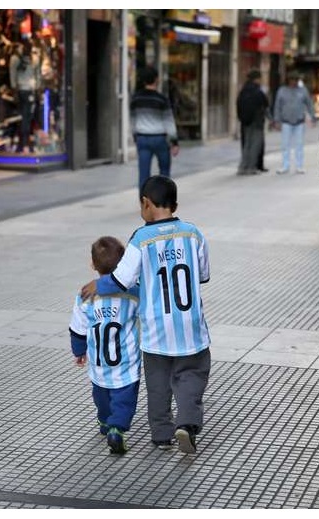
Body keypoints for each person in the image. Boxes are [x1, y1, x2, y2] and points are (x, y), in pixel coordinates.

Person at [80, 176, 210, 455]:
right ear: (175, 204)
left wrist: (98, 284)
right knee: (191, 376)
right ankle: (186, 425)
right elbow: (203, 275)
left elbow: (121, 280)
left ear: (146, 203)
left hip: (156, 329)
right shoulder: (193, 233)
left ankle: (162, 435)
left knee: (158, 383)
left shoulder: (141, 238)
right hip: (191, 327)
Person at [68, 236, 141, 455]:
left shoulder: (85, 296)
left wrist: (79, 351)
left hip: (99, 364)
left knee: (101, 397)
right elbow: (148, 315)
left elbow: (78, 327)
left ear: (92, 265)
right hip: (125, 363)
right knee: (124, 400)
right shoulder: (133, 293)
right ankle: (117, 429)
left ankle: (105, 421)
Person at [130, 66, 180, 192]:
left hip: (142, 138)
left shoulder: (136, 99)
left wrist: (135, 136)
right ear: (156, 80)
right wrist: (174, 142)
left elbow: (132, 120)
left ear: (143, 81)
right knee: (164, 171)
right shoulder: (162, 99)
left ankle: (144, 204)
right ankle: (163, 200)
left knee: (143, 174)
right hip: (160, 139)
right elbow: (169, 121)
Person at [272, 69, 317, 175]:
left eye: (296, 80)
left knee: (299, 144)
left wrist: (313, 117)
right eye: (292, 80)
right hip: (286, 121)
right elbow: (277, 106)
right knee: (285, 145)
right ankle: (285, 165)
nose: (294, 82)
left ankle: (299, 166)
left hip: (299, 121)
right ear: (288, 80)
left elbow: (309, 104)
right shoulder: (282, 91)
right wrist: (276, 120)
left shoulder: (303, 91)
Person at [236, 69, 270, 175]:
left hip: (245, 122)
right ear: (257, 79)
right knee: (256, 145)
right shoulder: (257, 91)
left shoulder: (243, 90)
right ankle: (251, 167)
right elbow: (265, 103)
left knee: (247, 144)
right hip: (257, 122)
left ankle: (243, 166)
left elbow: (238, 104)